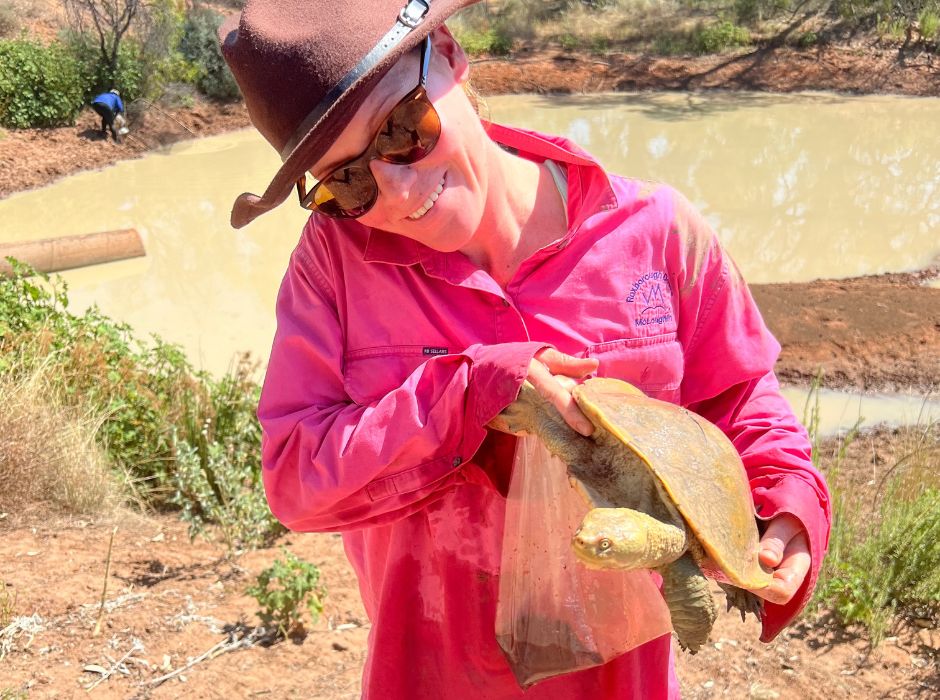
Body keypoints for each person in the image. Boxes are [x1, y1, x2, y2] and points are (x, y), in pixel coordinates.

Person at [219, 1, 831, 697]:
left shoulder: (656, 233)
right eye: (345, 181)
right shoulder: (333, 266)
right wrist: (463, 395)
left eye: (401, 129)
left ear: (448, 54)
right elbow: (297, 481)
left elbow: (742, 401)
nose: (397, 188)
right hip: (430, 677)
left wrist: (787, 498)